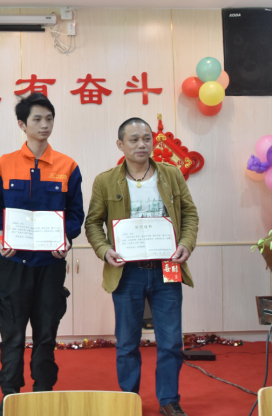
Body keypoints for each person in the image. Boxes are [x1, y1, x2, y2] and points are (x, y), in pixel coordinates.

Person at [85, 117, 199, 416]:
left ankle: (169, 400)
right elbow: (93, 223)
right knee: (126, 342)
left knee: (171, 341)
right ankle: (129, 399)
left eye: (147, 138)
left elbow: (189, 213)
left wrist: (186, 244)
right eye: (134, 139)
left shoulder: (171, 174)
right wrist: (105, 250)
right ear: (120, 144)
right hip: (127, 272)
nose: (142, 144)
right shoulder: (105, 180)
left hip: (166, 268)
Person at [0, 93, 84, 416]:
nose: (44, 125)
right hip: (12, 263)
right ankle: (10, 397)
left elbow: (75, 214)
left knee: (46, 334)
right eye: (37, 119)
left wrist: (66, 238)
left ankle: (43, 394)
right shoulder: (5, 163)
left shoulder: (68, 166)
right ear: (22, 124)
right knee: (12, 335)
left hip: (50, 265)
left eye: (49, 119)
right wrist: (1, 234)